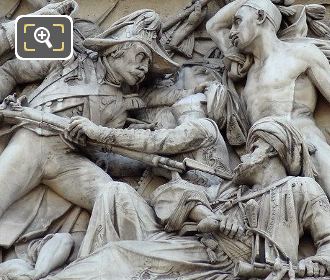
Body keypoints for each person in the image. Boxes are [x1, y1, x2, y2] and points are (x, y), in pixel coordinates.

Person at [34, 117, 330, 280]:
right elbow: (173, 193)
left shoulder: (301, 189)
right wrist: (205, 215)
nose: (243, 155)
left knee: (119, 257)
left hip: (234, 266)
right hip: (195, 251)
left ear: (270, 150)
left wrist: (317, 264)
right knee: (116, 244)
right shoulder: (232, 191)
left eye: (251, 148)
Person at [0, 9, 178, 227]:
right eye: (141, 56)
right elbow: (10, 71)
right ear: (116, 50)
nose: (144, 67)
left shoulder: (120, 107)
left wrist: (146, 164)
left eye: (148, 64)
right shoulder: (69, 59)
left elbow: (104, 157)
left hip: (67, 159)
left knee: (117, 197)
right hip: (32, 140)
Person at [206, 0, 330, 197]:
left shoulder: (302, 54)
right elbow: (213, 25)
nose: (231, 32)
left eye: (238, 21)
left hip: (306, 145)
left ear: (261, 17)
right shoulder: (246, 69)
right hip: (263, 161)